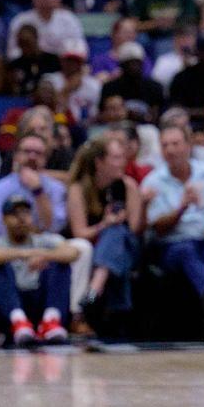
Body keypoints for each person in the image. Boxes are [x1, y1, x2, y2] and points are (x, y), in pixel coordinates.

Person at [144, 124, 204, 342]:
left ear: (188, 146)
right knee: (185, 250)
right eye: (165, 145)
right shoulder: (153, 181)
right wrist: (181, 208)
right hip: (171, 246)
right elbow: (157, 227)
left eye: (175, 144)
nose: (170, 150)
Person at [0, 195, 79, 345]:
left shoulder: (44, 240)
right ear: (4, 219)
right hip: (6, 308)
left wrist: (45, 256)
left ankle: (50, 320)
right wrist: (25, 254)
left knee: (60, 263)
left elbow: (72, 252)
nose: (21, 219)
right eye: (14, 214)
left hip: (37, 302)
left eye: (25, 213)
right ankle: (18, 321)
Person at [66, 136, 144, 322]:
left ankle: (94, 290)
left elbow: (134, 230)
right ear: (99, 162)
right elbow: (79, 233)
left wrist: (143, 205)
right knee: (113, 231)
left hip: (127, 248)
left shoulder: (129, 186)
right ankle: (103, 296)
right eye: (116, 158)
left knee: (118, 232)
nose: (122, 163)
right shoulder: (79, 189)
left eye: (123, 157)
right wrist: (103, 225)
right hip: (94, 248)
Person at [5, 0, 86, 59]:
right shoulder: (21, 20)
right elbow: (12, 51)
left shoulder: (69, 19)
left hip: (62, 66)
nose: (47, 0)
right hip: (30, 65)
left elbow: (79, 48)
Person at [100, 42, 165, 124]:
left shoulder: (154, 87)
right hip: (117, 127)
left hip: (147, 128)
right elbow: (102, 115)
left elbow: (159, 115)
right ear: (122, 65)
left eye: (137, 63)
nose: (134, 67)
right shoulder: (110, 88)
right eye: (130, 63)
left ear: (142, 64)